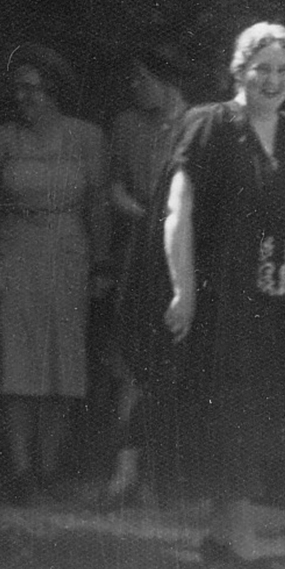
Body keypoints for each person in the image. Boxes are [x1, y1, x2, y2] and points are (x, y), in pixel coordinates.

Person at [159, 22, 285, 566]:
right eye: (262, 69)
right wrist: (183, 289)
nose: (273, 80)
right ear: (239, 70)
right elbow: (178, 213)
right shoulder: (209, 125)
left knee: (263, 412)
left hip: (281, 297)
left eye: (283, 70)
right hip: (224, 299)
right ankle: (242, 539)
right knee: (229, 411)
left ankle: (221, 536)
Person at [0, 42, 108, 503]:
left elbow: (98, 204)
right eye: (18, 90)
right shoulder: (2, 137)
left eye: (32, 89)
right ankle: (21, 470)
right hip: (16, 253)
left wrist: (100, 264)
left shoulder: (86, 137)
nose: (22, 98)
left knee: (62, 364)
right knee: (18, 364)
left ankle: (49, 467)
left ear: (55, 92)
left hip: (68, 254)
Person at [94, 43, 194, 506]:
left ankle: (168, 475)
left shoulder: (196, 125)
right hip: (138, 251)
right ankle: (124, 471)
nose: (134, 88)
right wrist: (140, 211)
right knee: (132, 362)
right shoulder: (125, 126)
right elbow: (111, 186)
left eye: (141, 79)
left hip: (183, 256)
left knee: (178, 363)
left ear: (166, 80)